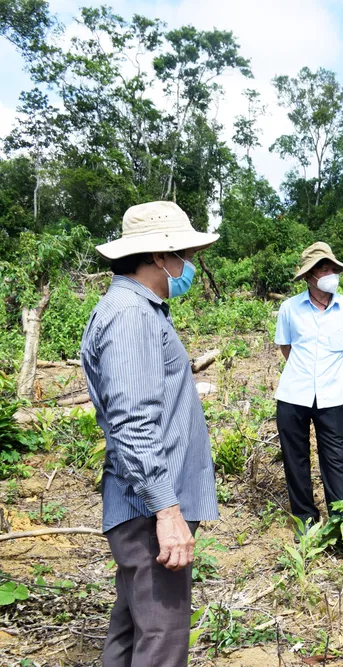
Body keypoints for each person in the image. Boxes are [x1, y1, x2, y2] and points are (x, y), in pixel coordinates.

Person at [81, 201, 220, 667]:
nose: (189, 266)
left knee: (133, 629)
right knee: (161, 641)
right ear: (160, 257)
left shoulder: (139, 310)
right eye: (184, 254)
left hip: (145, 506)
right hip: (147, 510)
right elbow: (133, 423)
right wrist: (167, 510)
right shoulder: (131, 316)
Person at [274, 242, 343, 530]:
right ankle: (305, 520)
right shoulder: (290, 308)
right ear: (310, 275)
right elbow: (286, 347)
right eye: (324, 268)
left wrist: (325, 369)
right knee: (295, 459)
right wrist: (306, 369)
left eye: (332, 268)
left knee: (335, 458)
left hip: (332, 395)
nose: (330, 273)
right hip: (293, 395)